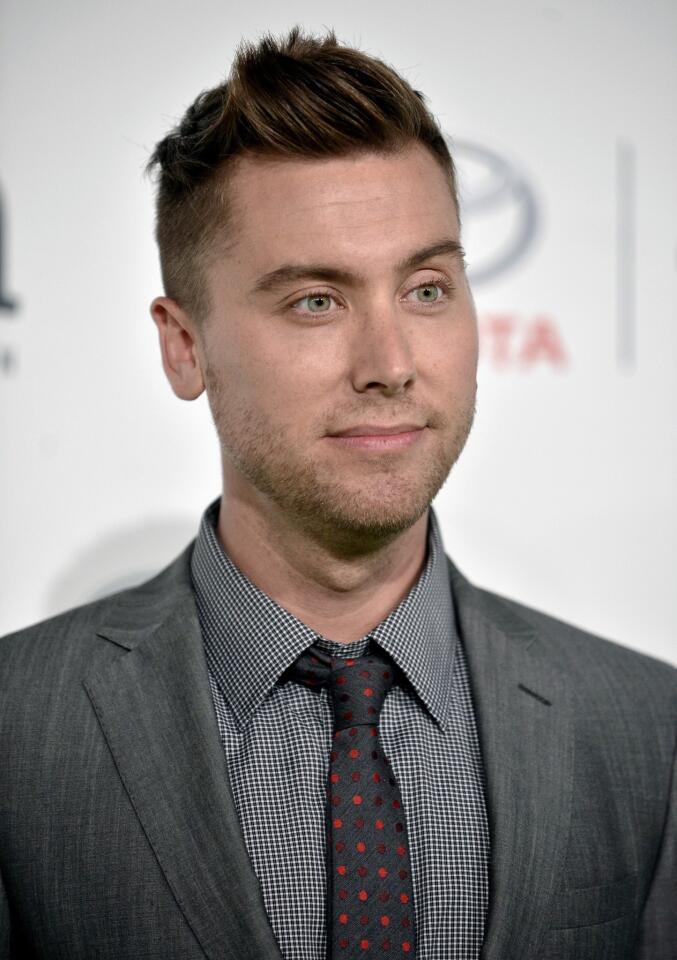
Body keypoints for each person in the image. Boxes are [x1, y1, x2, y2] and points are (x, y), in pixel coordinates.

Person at [0, 26, 674, 960]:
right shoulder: (17, 726)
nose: (391, 364)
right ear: (183, 346)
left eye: (427, 289)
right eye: (315, 300)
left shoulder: (645, 727)